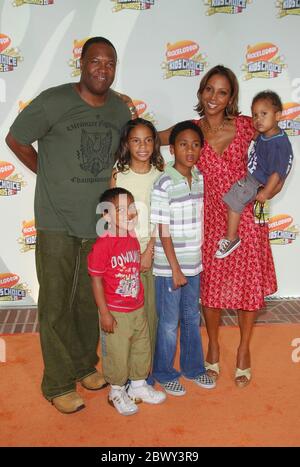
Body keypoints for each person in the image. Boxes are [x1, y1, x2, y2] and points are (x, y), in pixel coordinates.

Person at [5, 36, 135, 413]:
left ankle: (83, 365)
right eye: (96, 61)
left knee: (86, 304)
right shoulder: (54, 100)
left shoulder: (118, 109)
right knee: (56, 304)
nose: (103, 69)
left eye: (110, 63)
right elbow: (16, 139)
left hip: (98, 222)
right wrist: (45, 172)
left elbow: (129, 147)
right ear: (81, 63)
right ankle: (58, 382)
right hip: (56, 220)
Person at [159, 65, 278, 388]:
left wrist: (271, 185)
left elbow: (276, 139)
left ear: (231, 97)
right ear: (200, 92)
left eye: (222, 92)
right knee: (210, 292)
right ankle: (212, 346)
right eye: (209, 89)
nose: (214, 97)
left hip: (245, 219)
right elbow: (150, 137)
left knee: (247, 289)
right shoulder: (191, 130)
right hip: (209, 220)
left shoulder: (244, 126)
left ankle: (243, 350)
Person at [150, 121, 216, 396]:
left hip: (194, 265)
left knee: (191, 318)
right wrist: (176, 269)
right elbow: (163, 230)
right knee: (168, 323)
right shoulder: (164, 181)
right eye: (183, 144)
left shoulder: (199, 177)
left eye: (195, 144)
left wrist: (193, 265)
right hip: (170, 268)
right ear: (172, 148)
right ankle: (164, 372)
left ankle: (193, 368)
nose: (190, 150)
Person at [88, 187, 166, 416]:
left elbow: (134, 267)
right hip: (115, 311)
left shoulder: (130, 237)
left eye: (131, 207)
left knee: (141, 347)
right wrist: (104, 313)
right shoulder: (103, 244)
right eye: (121, 209)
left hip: (137, 307)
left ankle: (139, 386)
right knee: (118, 352)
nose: (130, 213)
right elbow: (96, 280)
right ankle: (116, 390)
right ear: (106, 215)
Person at [110, 118, 164, 385]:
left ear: (155, 144)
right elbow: (113, 219)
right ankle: (122, 374)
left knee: (149, 316)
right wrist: (129, 254)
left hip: (152, 255)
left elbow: (162, 219)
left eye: (148, 140)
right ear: (127, 144)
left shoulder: (160, 177)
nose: (142, 146)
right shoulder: (119, 175)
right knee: (126, 319)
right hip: (124, 258)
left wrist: (149, 250)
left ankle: (143, 375)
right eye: (135, 140)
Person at [215, 90, 293, 259]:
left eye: (264, 114)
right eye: (255, 115)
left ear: (278, 115)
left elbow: (277, 174)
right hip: (254, 176)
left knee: (234, 200)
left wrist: (265, 192)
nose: (258, 120)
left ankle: (231, 237)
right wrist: (256, 135)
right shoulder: (268, 134)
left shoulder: (277, 144)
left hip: (257, 183)